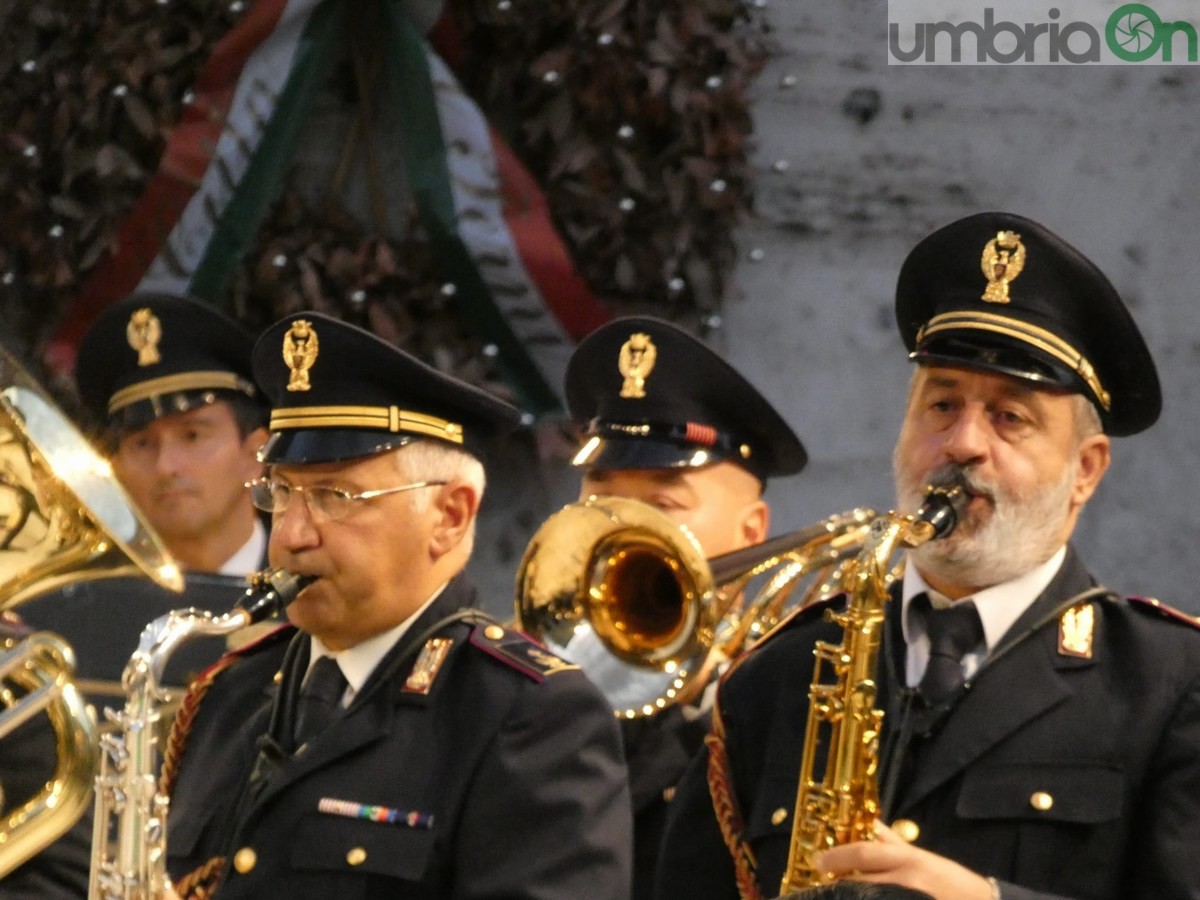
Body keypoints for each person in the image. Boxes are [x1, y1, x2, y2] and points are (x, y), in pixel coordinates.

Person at [655, 211, 1200, 900]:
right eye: (941, 405)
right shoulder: (772, 676)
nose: (964, 444)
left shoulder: (1172, 686)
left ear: (1086, 471)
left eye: (1010, 417)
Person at [164, 312, 632, 899]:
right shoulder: (226, 694)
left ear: (450, 516)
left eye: (335, 496)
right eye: (281, 492)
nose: (291, 535)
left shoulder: (530, 718)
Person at [562, 315, 807, 899]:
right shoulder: (530, 688)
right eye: (601, 495)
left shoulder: (790, 702)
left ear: (752, 534)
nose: (620, 528)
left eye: (664, 502)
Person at [72, 291, 269, 576]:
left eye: (192, 436)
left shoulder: (317, 599)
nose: (165, 466)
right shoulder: (79, 606)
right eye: (142, 443)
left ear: (255, 454)